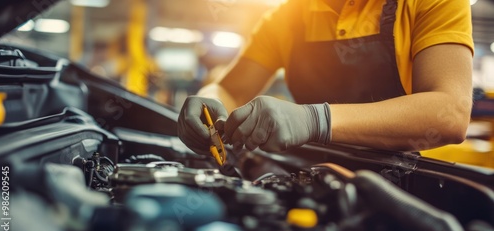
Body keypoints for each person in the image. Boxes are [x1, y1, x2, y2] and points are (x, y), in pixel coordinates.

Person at [178, 0, 474, 154]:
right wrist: (209, 101)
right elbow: (229, 90)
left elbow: (450, 113)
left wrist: (316, 120)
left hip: (400, 188)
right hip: (310, 175)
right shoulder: (286, 17)